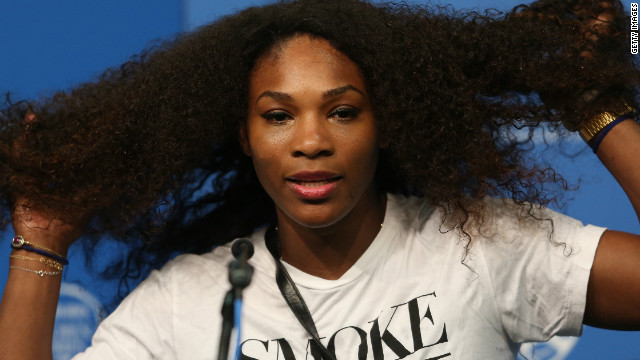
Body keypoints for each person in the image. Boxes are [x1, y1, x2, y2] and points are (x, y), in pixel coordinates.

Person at [0, 0, 639, 358]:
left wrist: (592, 107)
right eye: (278, 116)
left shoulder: (478, 247)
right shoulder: (189, 304)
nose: (310, 141)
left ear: (383, 124)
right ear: (246, 137)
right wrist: (43, 241)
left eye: (341, 111)